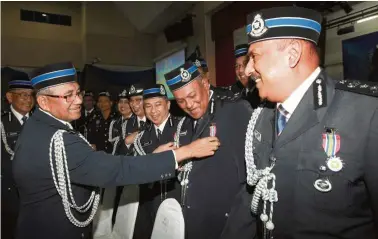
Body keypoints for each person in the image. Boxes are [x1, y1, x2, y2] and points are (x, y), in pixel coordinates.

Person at [12, 62, 220, 239]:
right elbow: (114, 169)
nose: (78, 100)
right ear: (43, 102)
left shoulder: (39, 127)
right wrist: (184, 152)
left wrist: (154, 156)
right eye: (68, 96)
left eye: (78, 93)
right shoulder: (56, 139)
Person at [222, 6, 378, 239]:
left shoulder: (367, 114)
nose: (247, 69)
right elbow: (251, 196)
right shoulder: (261, 116)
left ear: (292, 54)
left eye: (254, 57)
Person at [164, 62, 253, 239]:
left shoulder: (235, 111)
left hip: (224, 226)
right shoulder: (184, 123)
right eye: (180, 101)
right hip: (193, 225)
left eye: (192, 95)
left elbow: (250, 182)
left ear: (205, 84)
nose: (188, 105)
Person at [132, 84, 185, 239]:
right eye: (148, 106)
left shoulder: (184, 127)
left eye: (158, 105)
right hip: (150, 204)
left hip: (178, 201)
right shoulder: (141, 138)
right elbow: (136, 171)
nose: (153, 111)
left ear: (168, 104)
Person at [1, 79, 34, 239]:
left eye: (31, 95)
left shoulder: (41, 122)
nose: (28, 100)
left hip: (38, 193)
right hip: (10, 194)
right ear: (9, 97)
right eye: (23, 95)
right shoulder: (2, 123)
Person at [108, 88, 133, 155]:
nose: (122, 105)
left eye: (126, 102)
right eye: (120, 102)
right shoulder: (114, 122)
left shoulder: (137, 121)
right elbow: (112, 144)